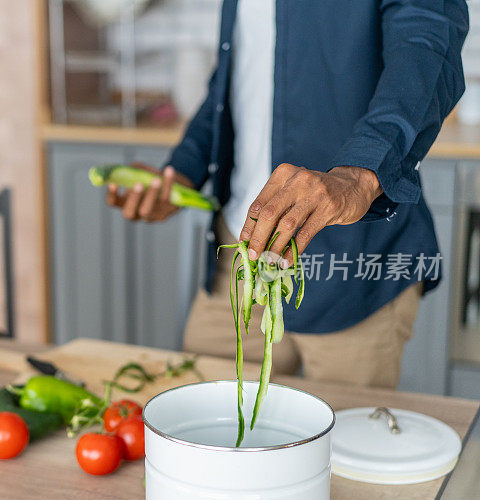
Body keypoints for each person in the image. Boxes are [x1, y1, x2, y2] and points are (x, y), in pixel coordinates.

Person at [106, 0, 468, 388]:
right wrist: (182, 172)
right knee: (207, 430)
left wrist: (359, 174)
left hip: (357, 262)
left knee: (341, 439)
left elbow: (426, 47)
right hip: (240, 253)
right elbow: (238, 76)